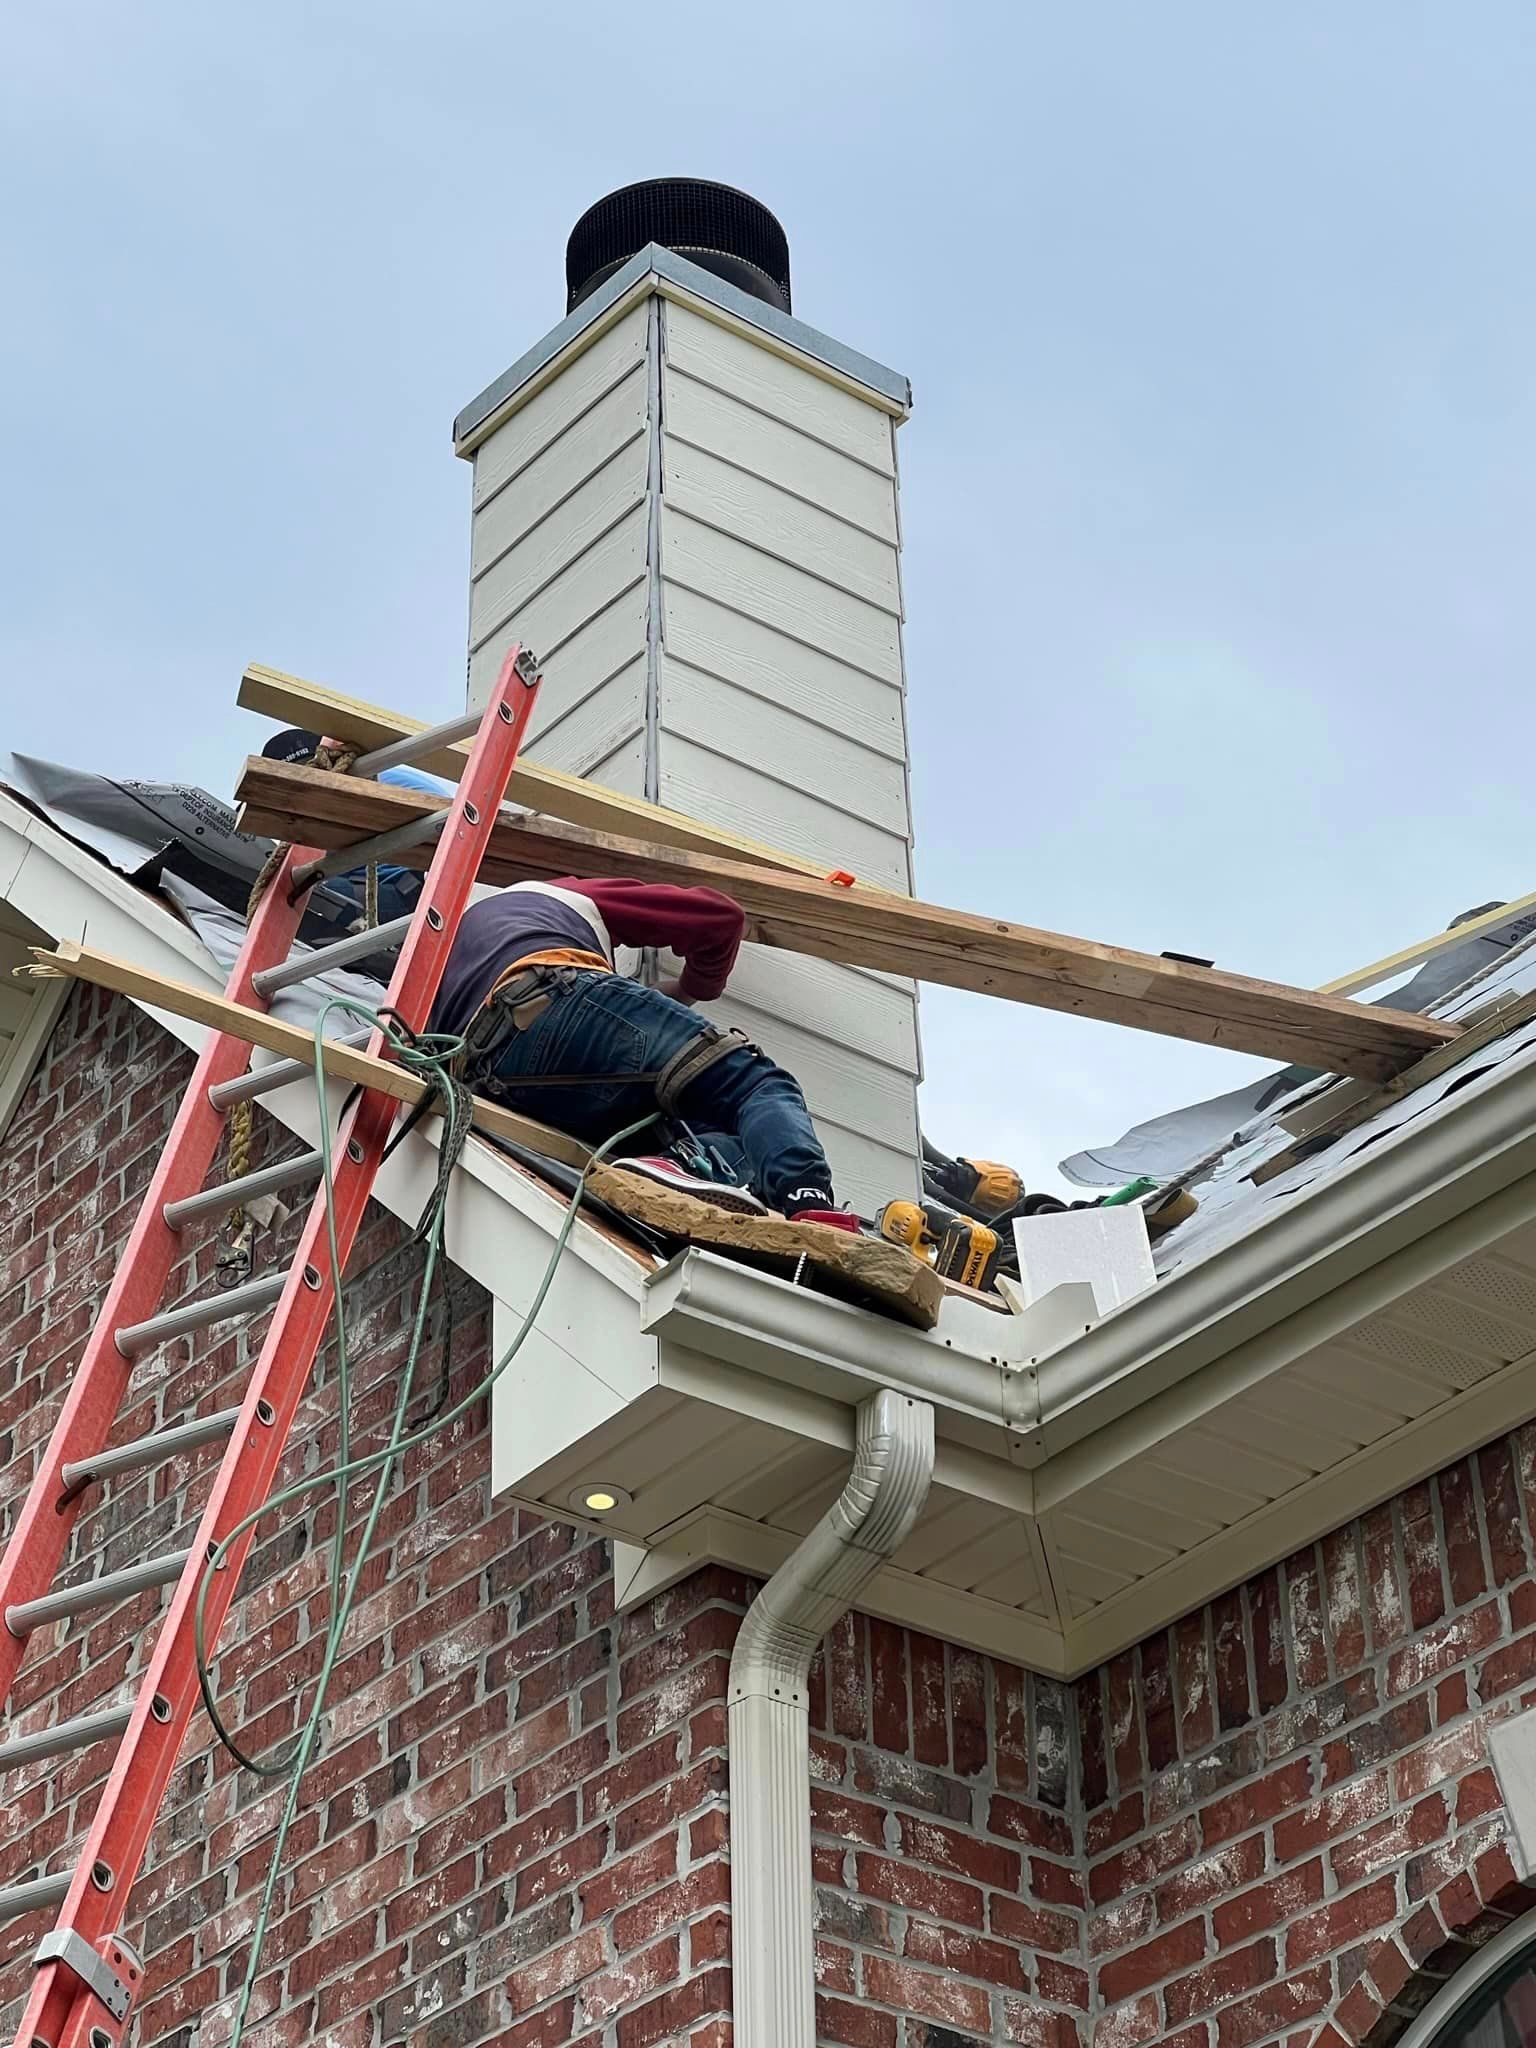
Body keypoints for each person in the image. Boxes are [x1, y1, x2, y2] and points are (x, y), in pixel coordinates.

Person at [428, 875, 856, 1231]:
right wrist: (694, 990)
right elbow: (721, 917)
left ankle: (678, 1167)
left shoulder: (441, 957)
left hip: (490, 1079)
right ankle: (811, 1203)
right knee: (752, 1084)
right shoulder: (564, 898)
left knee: (715, 1135)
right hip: (551, 989)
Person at [261, 727, 453, 926]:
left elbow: (322, 872)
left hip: (410, 889)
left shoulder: (346, 793)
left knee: (293, 892)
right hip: (414, 882)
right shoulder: (371, 775)